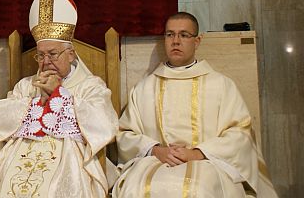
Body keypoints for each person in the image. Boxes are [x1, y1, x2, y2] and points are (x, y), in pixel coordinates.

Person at [0, 0, 117, 198]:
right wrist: (35, 103)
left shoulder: (91, 86)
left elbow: (106, 126)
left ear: (71, 54)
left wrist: (60, 95)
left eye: (53, 54)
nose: (46, 61)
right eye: (40, 55)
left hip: (70, 157)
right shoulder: (26, 85)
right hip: (21, 154)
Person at [113, 12, 278, 197]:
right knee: (136, 190)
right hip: (155, 161)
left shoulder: (221, 85)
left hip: (207, 162)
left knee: (198, 191)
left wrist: (198, 153)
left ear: (197, 41)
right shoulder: (144, 88)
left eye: (184, 35)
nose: (176, 41)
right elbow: (125, 133)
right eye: (170, 35)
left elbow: (240, 133)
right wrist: (155, 150)